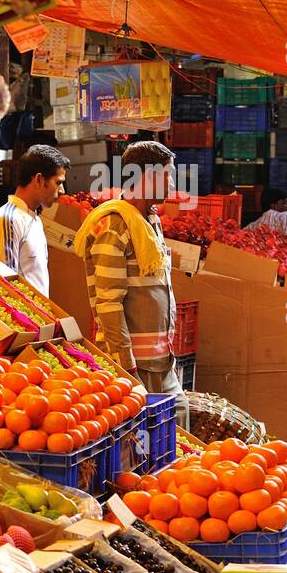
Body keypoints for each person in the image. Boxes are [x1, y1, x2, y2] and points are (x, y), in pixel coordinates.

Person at [74, 141, 186, 424]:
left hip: (161, 361)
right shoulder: (113, 225)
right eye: (167, 175)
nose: (172, 183)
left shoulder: (149, 221)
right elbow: (108, 304)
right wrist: (127, 369)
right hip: (135, 366)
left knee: (178, 420)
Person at [0, 144, 69, 295]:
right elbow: (5, 286)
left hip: (39, 316)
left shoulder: (34, 219)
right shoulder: (9, 220)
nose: (62, 191)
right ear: (39, 179)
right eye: (58, 183)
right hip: (22, 317)